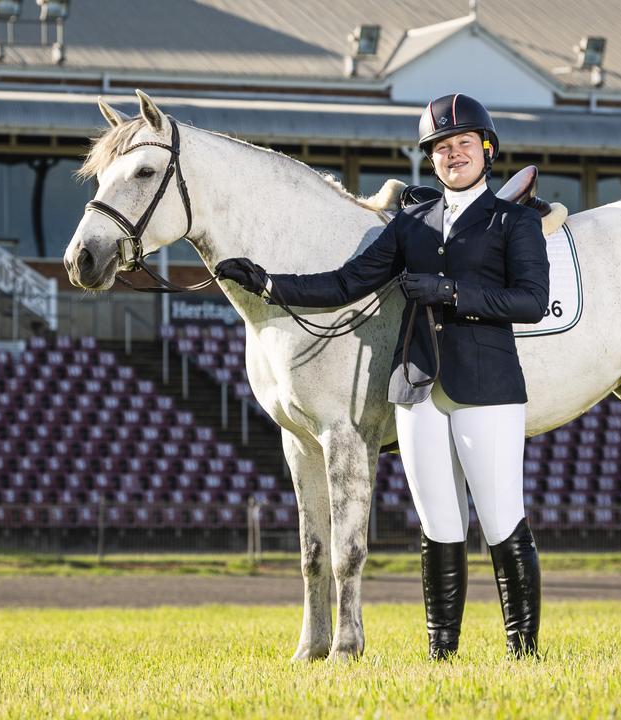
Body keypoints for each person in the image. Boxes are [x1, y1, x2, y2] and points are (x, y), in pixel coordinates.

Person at [216, 93, 550, 660]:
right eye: (442, 148)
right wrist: (270, 284)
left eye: (464, 144)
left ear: (487, 150)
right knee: (439, 523)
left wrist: (448, 292)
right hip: (417, 389)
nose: (453, 155)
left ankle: (524, 650)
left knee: (499, 518)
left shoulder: (513, 220)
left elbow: (531, 301)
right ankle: (441, 652)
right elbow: (346, 283)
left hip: (487, 387)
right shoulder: (411, 224)